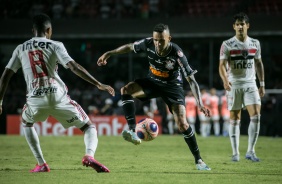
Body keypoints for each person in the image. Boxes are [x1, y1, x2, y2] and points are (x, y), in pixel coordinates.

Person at [0, 13, 115, 173]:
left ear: (33, 30)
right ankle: (89, 156)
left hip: (35, 99)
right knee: (89, 127)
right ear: (49, 30)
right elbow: (74, 67)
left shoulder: (20, 48)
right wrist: (98, 84)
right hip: (58, 97)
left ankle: (41, 164)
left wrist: (0, 101)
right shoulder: (56, 45)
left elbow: (6, 75)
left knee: (26, 122)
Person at [97, 23, 211, 170]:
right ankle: (132, 131)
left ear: (169, 38)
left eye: (161, 40)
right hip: (153, 83)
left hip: (172, 88)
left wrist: (200, 103)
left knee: (182, 123)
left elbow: (191, 80)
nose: (157, 43)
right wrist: (110, 53)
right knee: (126, 89)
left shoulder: (176, 53)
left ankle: (199, 161)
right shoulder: (148, 43)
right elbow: (130, 47)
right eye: (156, 40)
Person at [219, 12, 265, 162]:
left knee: (256, 115)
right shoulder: (227, 44)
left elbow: (259, 64)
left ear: (247, 26)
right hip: (234, 83)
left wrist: (262, 83)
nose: (240, 26)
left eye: (242, 24)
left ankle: (251, 151)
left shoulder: (255, 43)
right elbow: (221, 65)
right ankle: (235, 153)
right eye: (237, 24)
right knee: (235, 117)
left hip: (251, 83)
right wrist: (225, 80)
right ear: (234, 27)